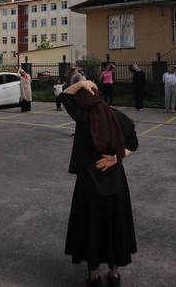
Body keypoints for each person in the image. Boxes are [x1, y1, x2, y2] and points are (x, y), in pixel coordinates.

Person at [59, 79, 138, 287]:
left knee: (91, 225)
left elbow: (65, 95)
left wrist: (82, 82)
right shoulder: (118, 117)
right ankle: (114, 273)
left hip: (89, 182)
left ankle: (93, 273)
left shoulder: (84, 117)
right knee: (115, 224)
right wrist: (116, 157)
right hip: (115, 180)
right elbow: (133, 143)